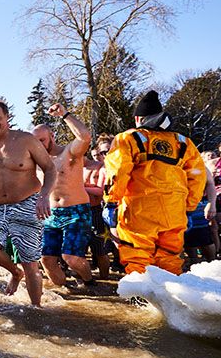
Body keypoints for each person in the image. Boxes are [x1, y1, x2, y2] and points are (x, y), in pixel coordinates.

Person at [103, 90, 205, 275]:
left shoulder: (128, 138)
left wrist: (110, 202)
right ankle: (172, 297)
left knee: (137, 256)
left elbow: (118, 171)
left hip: (139, 210)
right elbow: (198, 178)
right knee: (170, 258)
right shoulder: (184, 143)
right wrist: (189, 209)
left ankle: (141, 298)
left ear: (138, 119)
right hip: (174, 211)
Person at [0, 98, 55, 306]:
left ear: (7, 117)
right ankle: (15, 273)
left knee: (30, 262)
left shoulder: (26, 141)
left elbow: (50, 168)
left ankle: (37, 309)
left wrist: (44, 195)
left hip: (28, 203)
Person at [32, 105, 95, 289]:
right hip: (51, 215)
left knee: (72, 258)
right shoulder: (37, 163)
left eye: (42, 140)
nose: (39, 145)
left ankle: (90, 283)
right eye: (35, 142)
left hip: (77, 211)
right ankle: (66, 297)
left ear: (52, 136)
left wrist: (64, 115)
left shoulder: (69, 153)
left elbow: (85, 136)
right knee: (46, 260)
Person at [84, 138, 112, 280]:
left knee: (100, 251)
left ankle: (105, 280)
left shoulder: (100, 167)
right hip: (77, 212)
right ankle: (87, 283)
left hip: (96, 211)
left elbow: (101, 191)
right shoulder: (70, 168)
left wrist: (80, 187)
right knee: (77, 253)